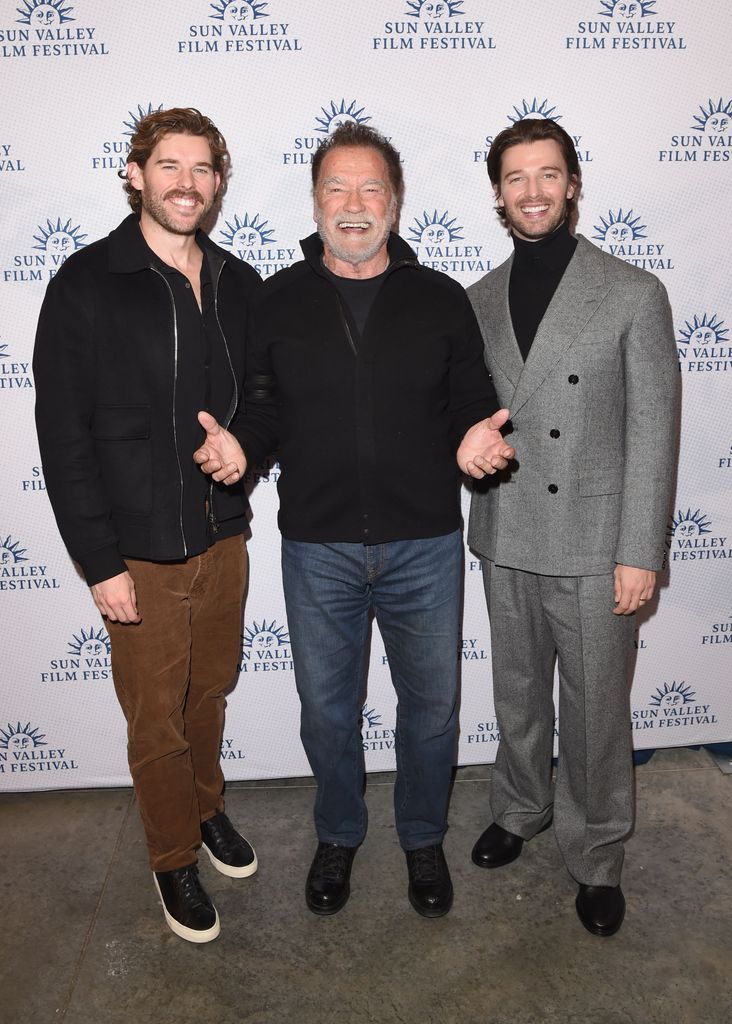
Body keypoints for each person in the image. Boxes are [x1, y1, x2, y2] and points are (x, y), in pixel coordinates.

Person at [193, 121, 514, 918]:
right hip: (318, 547)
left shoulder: (440, 297)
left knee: (432, 708)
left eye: (372, 188)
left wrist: (475, 435)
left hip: (425, 544)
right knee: (328, 712)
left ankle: (420, 839)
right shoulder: (278, 298)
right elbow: (263, 411)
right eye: (337, 187)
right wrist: (240, 447)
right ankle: (338, 832)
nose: (354, 204)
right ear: (315, 200)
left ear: (396, 203)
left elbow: (470, 398)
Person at [33, 107, 262, 943]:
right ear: (136, 173)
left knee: (211, 694)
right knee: (156, 716)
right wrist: (100, 562)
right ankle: (172, 858)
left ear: (217, 181)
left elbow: (266, 399)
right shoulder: (87, 282)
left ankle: (204, 811)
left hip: (224, 537)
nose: (186, 184)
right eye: (169, 165)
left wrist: (247, 451)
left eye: (202, 169)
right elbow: (64, 436)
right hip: (138, 551)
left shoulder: (239, 281)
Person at [466, 118, 679, 936]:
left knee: (595, 711)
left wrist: (640, 553)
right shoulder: (479, 299)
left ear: (573, 183)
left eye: (547, 174)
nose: (533, 191)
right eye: (516, 178)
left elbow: (653, 433)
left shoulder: (632, 293)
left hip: (596, 545)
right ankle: (521, 809)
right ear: (497, 194)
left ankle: (598, 855)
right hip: (506, 528)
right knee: (517, 693)